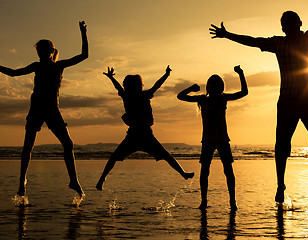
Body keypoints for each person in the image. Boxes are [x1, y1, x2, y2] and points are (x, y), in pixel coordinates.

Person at [209, 0, 308, 205]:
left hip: (302, 100)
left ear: (296, 24)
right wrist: (228, 35)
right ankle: (291, 186)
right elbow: (253, 41)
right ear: (286, 27)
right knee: (293, 146)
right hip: (297, 100)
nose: (288, 26)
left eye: (289, 22)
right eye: (286, 23)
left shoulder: (302, 38)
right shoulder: (299, 39)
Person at [0, 21, 88, 197]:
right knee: (27, 147)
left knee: (68, 144)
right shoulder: (36, 66)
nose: (40, 53)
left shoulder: (58, 65)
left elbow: (84, 55)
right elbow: (13, 73)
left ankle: (73, 180)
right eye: (37, 51)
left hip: (52, 110)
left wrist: (83, 33)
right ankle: (21, 184)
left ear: (50, 51)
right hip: (36, 109)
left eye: (42, 50)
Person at [96, 66, 194, 191]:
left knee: (115, 157)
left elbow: (155, 85)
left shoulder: (130, 95)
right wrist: (166, 75)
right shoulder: (137, 95)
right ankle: (102, 179)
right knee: (165, 155)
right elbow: (156, 85)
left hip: (142, 135)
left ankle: (183, 173)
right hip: (137, 135)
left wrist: (111, 78)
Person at [177, 65, 248, 210]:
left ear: (221, 87)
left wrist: (241, 74)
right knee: (205, 171)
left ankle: (233, 202)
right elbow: (180, 96)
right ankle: (204, 201)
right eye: (213, 86)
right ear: (208, 87)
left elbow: (244, 92)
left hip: (222, 140)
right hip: (208, 141)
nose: (216, 88)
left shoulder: (223, 98)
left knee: (228, 171)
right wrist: (191, 87)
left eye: (218, 86)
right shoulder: (203, 100)